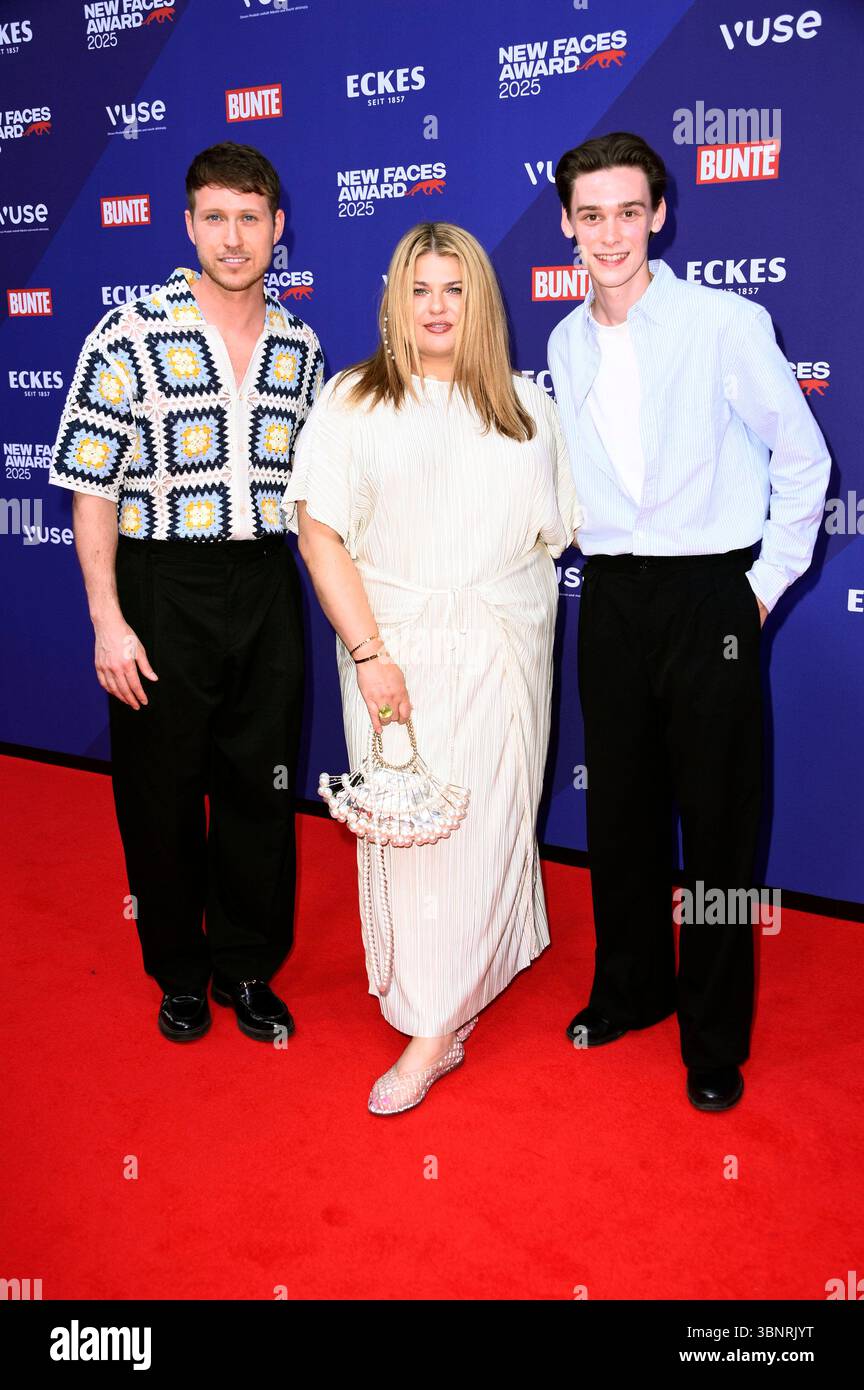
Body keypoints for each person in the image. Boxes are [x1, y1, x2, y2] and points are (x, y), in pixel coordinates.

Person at [547, 132, 831, 1110]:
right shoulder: (563, 340)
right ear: (567, 225)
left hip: (713, 592)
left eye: (630, 211)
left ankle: (714, 1036)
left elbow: (804, 461)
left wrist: (759, 586)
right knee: (619, 815)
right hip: (615, 596)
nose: (611, 232)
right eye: (592, 215)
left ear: (659, 215)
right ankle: (632, 987)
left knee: (718, 828)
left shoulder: (723, 323)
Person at [282, 221, 582, 1114]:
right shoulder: (352, 401)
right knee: (414, 833)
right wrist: (372, 655)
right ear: (395, 302)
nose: (438, 307)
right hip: (393, 649)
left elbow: (554, 532)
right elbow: (318, 532)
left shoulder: (528, 409)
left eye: (455, 289)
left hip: (500, 647)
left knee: (492, 817)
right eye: (421, 290)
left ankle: (435, 1031)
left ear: (479, 301)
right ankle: (434, 994)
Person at [49, 142, 323, 1044]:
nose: (233, 237)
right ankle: (177, 970)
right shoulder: (128, 333)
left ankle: (245, 967)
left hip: (265, 583)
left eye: (250, 217)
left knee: (259, 785)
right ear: (188, 226)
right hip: (161, 582)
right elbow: (91, 487)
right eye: (215, 217)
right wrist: (107, 619)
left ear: (277, 228)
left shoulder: (301, 345)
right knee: (160, 791)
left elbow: (319, 496)